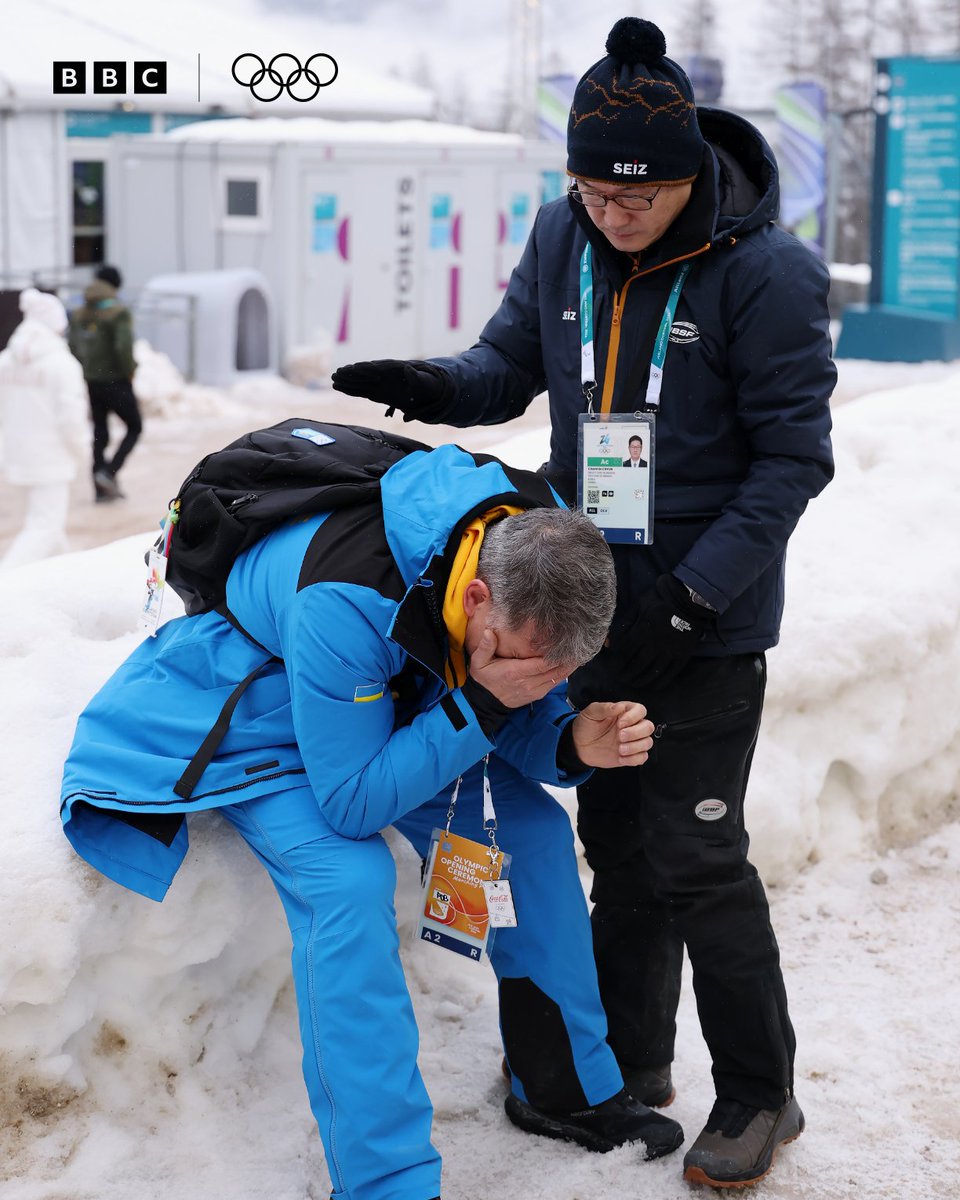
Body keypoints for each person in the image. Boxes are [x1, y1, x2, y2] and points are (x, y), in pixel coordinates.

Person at [331, 15, 836, 1189]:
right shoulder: (565, 235)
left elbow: (792, 466)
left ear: (689, 175)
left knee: (700, 856)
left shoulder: (766, 274)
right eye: (594, 194)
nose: (614, 216)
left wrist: (694, 599)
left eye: (640, 197)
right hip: (587, 606)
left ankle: (763, 1095)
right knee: (616, 844)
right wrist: (431, 385)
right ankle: (636, 1058)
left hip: (709, 625)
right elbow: (506, 365)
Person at [60, 439, 685, 1200]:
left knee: (534, 833)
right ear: (478, 599)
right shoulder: (344, 598)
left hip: (400, 698)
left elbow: (494, 686)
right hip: (268, 702)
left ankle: (560, 1083)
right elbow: (352, 801)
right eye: (529, 663)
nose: (542, 681)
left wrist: (562, 732)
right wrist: (485, 702)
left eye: (558, 671)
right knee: (349, 883)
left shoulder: (527, 543)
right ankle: (386, 1182)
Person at [0, 288, 90, 570]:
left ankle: (65, 573)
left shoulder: (5, 360)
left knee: (47, 522)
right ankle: (7, 581)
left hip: (17, 453)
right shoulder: (62, 364)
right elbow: (71, 418)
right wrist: (82, 451)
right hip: (51, 457)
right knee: (44, 527)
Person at [68, 264, 142, 502]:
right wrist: (129, 371)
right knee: (134, 425)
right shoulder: (118, 312)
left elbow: (73, 345)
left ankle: (100, 489)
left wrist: (88, 367)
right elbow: (123, 346)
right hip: (116, 380)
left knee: (100, 432)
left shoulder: (80, 312)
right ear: (115, 285)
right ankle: (108, 473)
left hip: (92, 380)